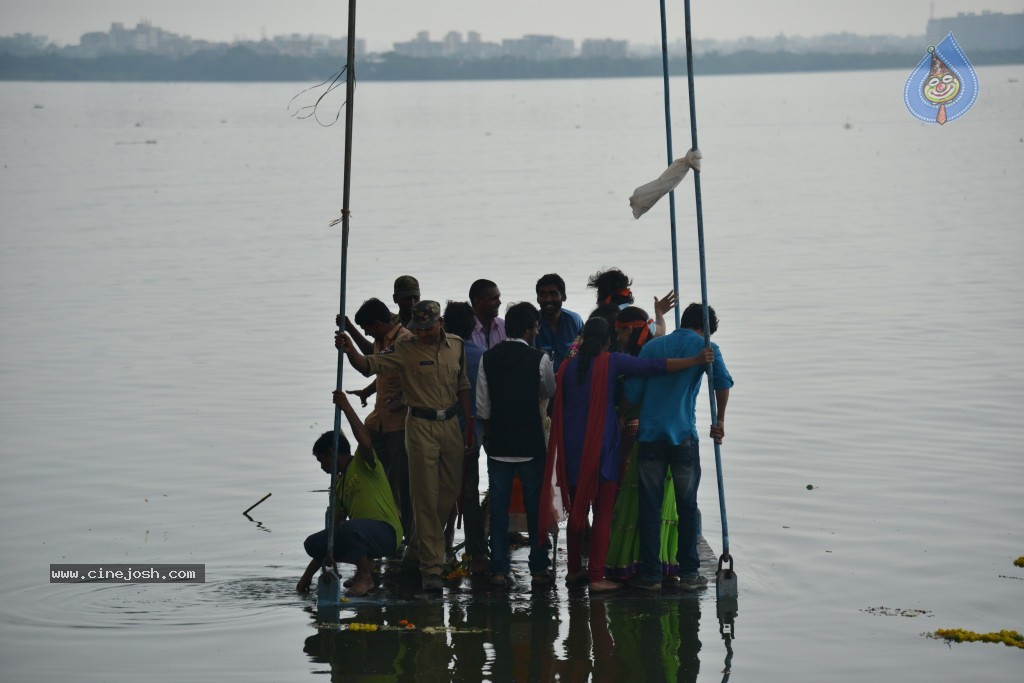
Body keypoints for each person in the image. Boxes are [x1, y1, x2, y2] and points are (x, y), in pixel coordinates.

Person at [541, 317, 713, 593]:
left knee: (578, 508)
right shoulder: (612, 361)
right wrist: (694, 361)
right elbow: (655, 367)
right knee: (604, 510)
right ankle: (597, 576)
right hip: (601, 445)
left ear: (582, 339)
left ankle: (575, 570)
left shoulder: (568, 365)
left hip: (571, 446)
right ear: (608, 340)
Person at [336, 300, 474, 592]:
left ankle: (415, 550)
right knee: (425, 496)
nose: (423, 333)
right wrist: (349, 349)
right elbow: (368, 367)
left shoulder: (457, 346)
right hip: (420, 426)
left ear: (440, 323)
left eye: (428, 327)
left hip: (451, 425)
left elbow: (463, 386)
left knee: (447, 496)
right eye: (419, 328)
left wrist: (469, 425)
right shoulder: (405, 348)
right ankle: (431, 569)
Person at [625, 303, 733, 592]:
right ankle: (689, 574)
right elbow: (721, 384)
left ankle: (650, 575)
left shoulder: (652, 348)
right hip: (683, 435)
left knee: (649, 505)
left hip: (649, 435)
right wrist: (720, 421)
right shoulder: (707, 347)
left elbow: (632, 392)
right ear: (705, 329)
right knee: (687, 505)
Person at [476, 302, 556, 587]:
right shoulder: (539, 359)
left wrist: (489, 436)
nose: (537, 330)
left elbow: (483, 408)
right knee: (536, 508)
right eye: (535, 326)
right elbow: (549, 390)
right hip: (531, 445)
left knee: (499, 509)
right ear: (527, 329)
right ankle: (538, 568)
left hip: (498, 445)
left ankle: (499, 569)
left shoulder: (488, 358)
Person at [297, 392, 403, 597]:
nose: (322, 467)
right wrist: (307, 576)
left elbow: (365, 440)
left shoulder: (363, 463)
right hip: (362, 537)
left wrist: (346, 407)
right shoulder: (339, 487)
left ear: (332, 453)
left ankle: (365, 577)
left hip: (386, 533)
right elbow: (333, 533)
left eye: (322, 461)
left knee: (349, 529)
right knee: (315, 543)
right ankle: (366, 564)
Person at [606, 306, 680, 580]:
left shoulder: (636, 359)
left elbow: (630, 398)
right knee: (662, 499)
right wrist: (660, 314)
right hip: (669, 432)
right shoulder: (658, 346)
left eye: (620, 332)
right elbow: (659, 330)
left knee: (633, 495)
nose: (618, 339)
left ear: (628, 329)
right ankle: (665, 560)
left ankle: (631, 559)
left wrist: (618, 412)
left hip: (638, 430)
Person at [345, 298, 415, 548]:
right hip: (378, 422)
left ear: (377, 323)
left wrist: (349, 346)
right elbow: (379, 366)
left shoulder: (404, 340)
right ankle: (381, 529)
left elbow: (371, 365)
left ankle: (408, 539)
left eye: (367, 327)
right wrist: (368, 391)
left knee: (402, 485)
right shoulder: (381, 339)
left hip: (399, 425)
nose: (366, 333)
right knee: (376, 478)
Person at [441, 300, 489, 574]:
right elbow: (484, 401)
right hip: (473, 435)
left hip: (443, 433)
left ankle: (442, 544)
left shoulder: (443, 354)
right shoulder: (482, 355)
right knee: (469, 493)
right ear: (473, 327)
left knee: (441, 491)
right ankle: (475, 550)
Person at [535, 273, 584, 373]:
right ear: (538, 299)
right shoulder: (532, 323)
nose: (548, 299)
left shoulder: (575, 321)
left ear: (564, 296)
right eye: (543, 295)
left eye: (553, 294)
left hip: (570, 380)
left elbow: (584, 353)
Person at [469, 279, 505, 350]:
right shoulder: (466, 330)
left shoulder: (503, 326)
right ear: (478, 302)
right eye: (494, 299)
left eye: (498, 298)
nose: (499, 302)